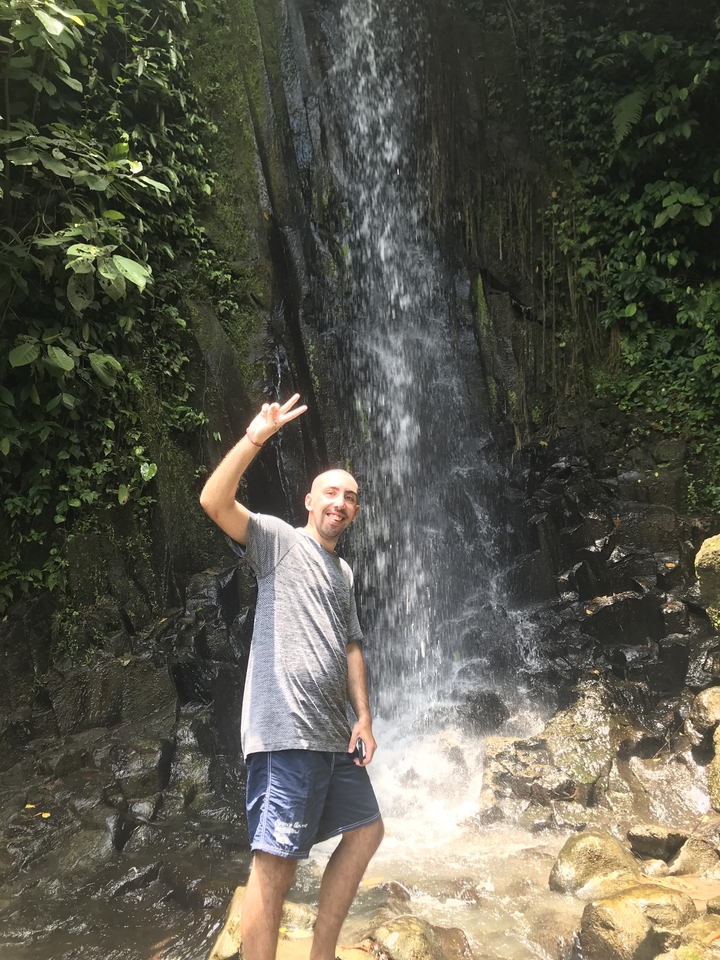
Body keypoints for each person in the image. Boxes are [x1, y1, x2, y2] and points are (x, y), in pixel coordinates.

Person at [199, 394, 384, 960]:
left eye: (350, 497)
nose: (341, 502)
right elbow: (214, 501)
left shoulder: (344, 570)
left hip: (333, 735)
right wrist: (256, 435)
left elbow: (351, 644)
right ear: (309, 501)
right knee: (274, 861)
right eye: (331, 492)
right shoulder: (280, 541)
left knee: (366, 832)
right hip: (285, 733)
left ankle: (320, 954)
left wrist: (364, 718)